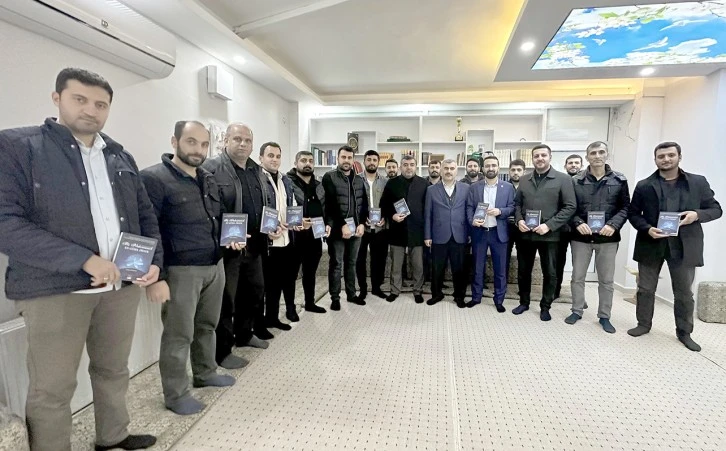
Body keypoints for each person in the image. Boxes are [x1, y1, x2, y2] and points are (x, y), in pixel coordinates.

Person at [0, 68, 159, 451]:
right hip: (55, 291)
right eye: (80, 99)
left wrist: (153, 261)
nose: (91, 110)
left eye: (101, 104)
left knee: (113, 369)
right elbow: (6, 223)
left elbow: (145, 216)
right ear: (57, 98)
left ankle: (113, 436)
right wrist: (84, 260)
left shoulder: (119, 155)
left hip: (119, 287)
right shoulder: (19, 147)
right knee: (53, 387)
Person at [142, 121, 238, 416]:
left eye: (204, 144)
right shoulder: (153, 178)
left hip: (214, 264)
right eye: (191, 142)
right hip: (181, 270)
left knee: (207, 325)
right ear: (175, 141)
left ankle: (205, 372)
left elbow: (217, 217)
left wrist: (231, 238)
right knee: (178, 334)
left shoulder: (207, 177)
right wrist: (156, 275)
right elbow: (148, 228)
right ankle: (176, 394)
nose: (198, 150)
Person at [627, 141, 722, 351]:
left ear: (679, 156)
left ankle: (684, 332)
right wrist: (647, 228)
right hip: (651, 243)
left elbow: (716, 209)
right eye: (661, 156)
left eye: (671, 155)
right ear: (655, 159)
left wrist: (696, 215)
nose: (666, 159)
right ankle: (643, 324)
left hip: (684, 245)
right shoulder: (644, 185)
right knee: (645, 289)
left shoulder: (697, 182)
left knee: (684, 293)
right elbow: (633, 213)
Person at [202, 123, 274, 362]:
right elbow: (208, 209)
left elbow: (263, 203)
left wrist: (272, 226)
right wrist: (226, 235)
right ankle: (222, 350)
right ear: (226, 140)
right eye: (237, 139)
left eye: (247, 140)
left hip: (255, 244)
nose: (243, 144)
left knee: (254, 291)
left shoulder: (256, 170)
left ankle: (244, 334)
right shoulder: (211, 168)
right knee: (226, 299)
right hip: (228, 248)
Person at [565, 142, 630, 333]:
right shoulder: (575, 180)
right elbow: (568, 207)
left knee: (606, 280)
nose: (597, 156)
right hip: (581, 237)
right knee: (577, 277)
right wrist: (578, 223)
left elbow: (626, 207)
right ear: (587, 157)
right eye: (593, 153)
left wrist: (613, 225)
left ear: (607, 155)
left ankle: (604, 316)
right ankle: (577, 310)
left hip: (607, 238)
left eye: (601, 152)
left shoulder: (619, 180)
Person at [513, 144, 576, 321]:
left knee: (550, 272)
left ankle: (545, 306)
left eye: (543, 155)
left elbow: (570, 206)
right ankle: (524, 302)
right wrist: (519, 220)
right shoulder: (524, 179)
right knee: (523, 271)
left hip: (550, 235)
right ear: (532, 159)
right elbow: (517, 204)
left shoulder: (563, 179)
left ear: (550, 157)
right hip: (526, 234)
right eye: (536, 156)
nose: (540, 158)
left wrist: (549, 225)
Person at [258, 142, 301, 330]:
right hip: (268, 241)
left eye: (277, 156)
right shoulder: (258, 179)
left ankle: (273, 318)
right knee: (267, 285)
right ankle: (263, 322)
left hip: (286, 239)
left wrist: (297, 220)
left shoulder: (285, 180)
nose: (274, 160)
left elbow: (291, 204)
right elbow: (257, 209)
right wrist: (269, 227)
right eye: (270, 156)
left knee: (283, 280)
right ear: (261, 158)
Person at [466, 155, 515, 311]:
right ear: (482, 169)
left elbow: (512, 207)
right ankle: (476, 297)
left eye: (494, 165)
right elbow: (469, 207)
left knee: (500, 269)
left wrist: (500, 211)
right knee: (477, 268)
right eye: (487, 166)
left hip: (498, 233)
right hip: (479, 232)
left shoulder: (508, 187)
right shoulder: (474, 187)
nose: (491, 168)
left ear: (498, 168)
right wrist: (472, 220)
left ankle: (499, 300)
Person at [322, 145, 368, 310]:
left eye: (349, 157)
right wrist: (342, 225)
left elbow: (364, 204)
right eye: (343, 157)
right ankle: (335, 298)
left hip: (356, 229)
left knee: (352, 263)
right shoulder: (329, 177)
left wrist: (362, 223)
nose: (346, 160)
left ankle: (351, 294)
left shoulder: (359, 180)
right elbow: (331, 204)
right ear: (338, 158)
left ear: (353, 159)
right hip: (336, 230)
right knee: (336, 264)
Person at [380, 154, 429, 303]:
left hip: (417, 231)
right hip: (397, 230)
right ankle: (395, 290)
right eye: (405, 165)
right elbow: (384, 205)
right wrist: (392, 215)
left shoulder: (424, 184)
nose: (409, 168)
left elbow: (428, 208)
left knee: (418, 265)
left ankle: (418, 291)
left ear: (416, 166)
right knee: (396, 265)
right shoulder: (392, 183)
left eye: (412, 165)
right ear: (400, 167)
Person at [287, 151, 330, 313]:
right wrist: (297, 221)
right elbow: (284, 207)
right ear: (296, 163)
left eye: (311, 161)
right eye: (303, 160)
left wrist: (327, 224)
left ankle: (310, 303)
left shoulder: (319, 185)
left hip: (315, 236)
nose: (308, 164)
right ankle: (290, 308)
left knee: (310, 273)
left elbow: (325, 208)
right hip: (294, 236)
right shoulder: (287, 182)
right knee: (291, 275)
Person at [424, 159, 470, 307]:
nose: (449, 171)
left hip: (460, 234)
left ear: (457, 170)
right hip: (438, 235)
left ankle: (459, 296)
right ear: (441, 170)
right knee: (437, 268)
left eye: (452, 168)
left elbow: (468, 211)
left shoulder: (466, 188)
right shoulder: (431, 190)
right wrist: (427, 235)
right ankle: (437, 294)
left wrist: (470, 233)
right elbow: (428, 214)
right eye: (446, 168)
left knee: (459, 269)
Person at [356, 150, 388, 300]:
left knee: (379, 260)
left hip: (380, 228)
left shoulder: (385, 181)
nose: (372, 162)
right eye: (369, 160)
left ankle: (376, 288)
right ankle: (362, 289)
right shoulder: (356, 180)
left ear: (378, 162)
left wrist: (385, 217)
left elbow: (388, 203)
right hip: (362, 228)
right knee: (360, 260)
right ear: (364, 161)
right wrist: (361, 221)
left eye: (375, 160)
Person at [554, 154, 584, 299]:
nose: (573, 165)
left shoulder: (585, 182)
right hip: (563, 228)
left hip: (581, 229)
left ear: (581, 165)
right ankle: (555, 291)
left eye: (576, 163)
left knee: (579, 264)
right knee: (558, 261)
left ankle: (578, 295)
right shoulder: (561, 181)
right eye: (570, 163)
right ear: (565, 166)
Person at [506, 159, 526, 283]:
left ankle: (522, 288)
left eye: (519, 170)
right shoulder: (503, 186)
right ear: (509, 171)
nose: (516, 172)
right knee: (504, 257)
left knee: (523, 259)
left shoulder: (529, 186)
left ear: (524, 171)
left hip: (523, 227)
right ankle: (502, 285)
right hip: (506, 226)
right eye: (513, 170)